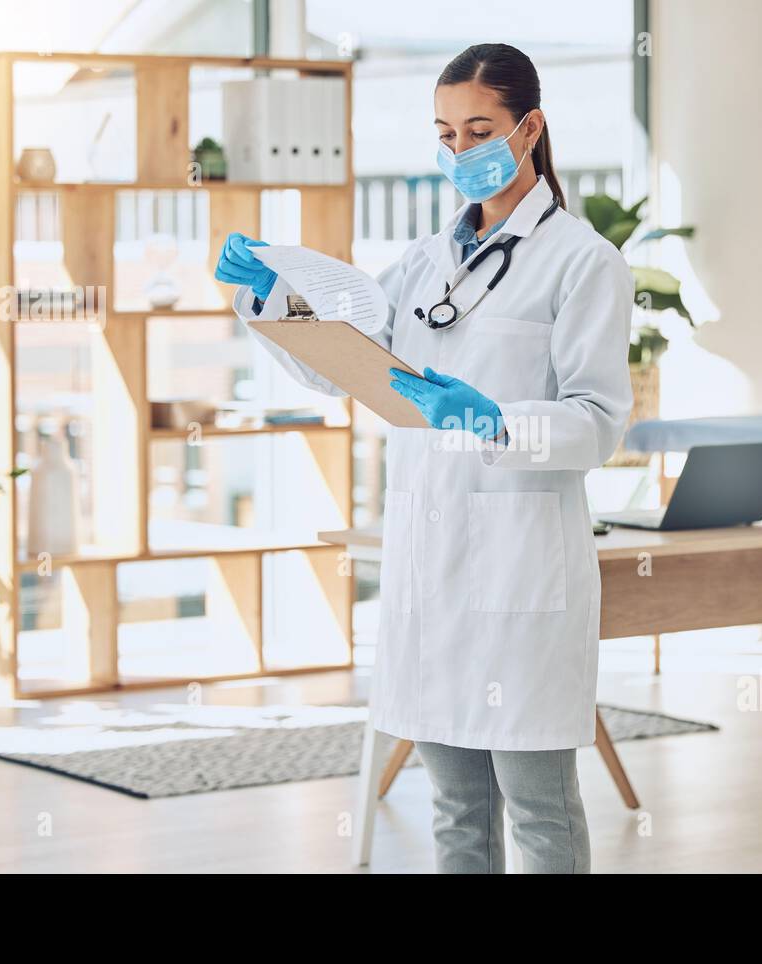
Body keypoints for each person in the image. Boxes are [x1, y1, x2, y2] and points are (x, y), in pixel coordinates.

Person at [215, 42, 634, 873]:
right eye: (444, 133)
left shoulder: (584, 262)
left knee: (540, 813)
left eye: (480, 129)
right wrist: (266, 296)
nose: (459, 150)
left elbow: (599, 423)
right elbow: (341, 364)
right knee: (454, 810)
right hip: (430, 582)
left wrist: (497, 422)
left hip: (522, 581)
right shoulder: (421, 263)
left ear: (531, 128)